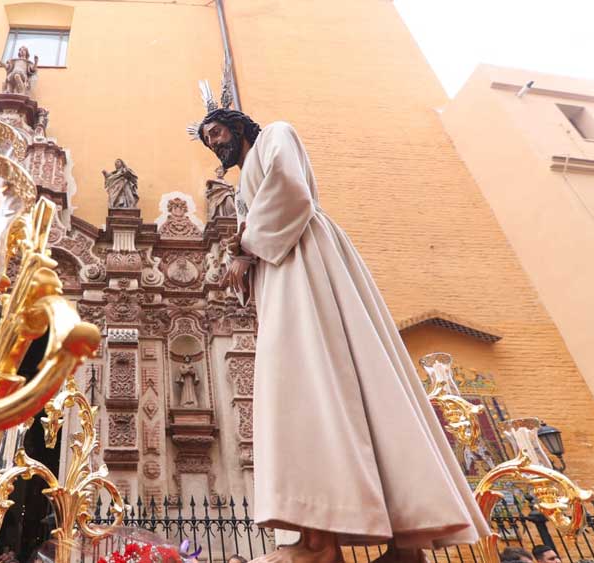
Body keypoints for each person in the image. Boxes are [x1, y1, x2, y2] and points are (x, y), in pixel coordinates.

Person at [198, 108, 491, 563]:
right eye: (207, 140)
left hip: (303, 260)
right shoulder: (241, 182)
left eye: (216, 132)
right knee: (312, 385)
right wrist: (245, 256)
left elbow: (290, 189)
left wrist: (245, 247)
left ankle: (319, 543)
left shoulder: (276, 133)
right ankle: (373, 540)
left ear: (238, 126)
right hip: (280, 272)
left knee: (313, 381)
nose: (215, 143)